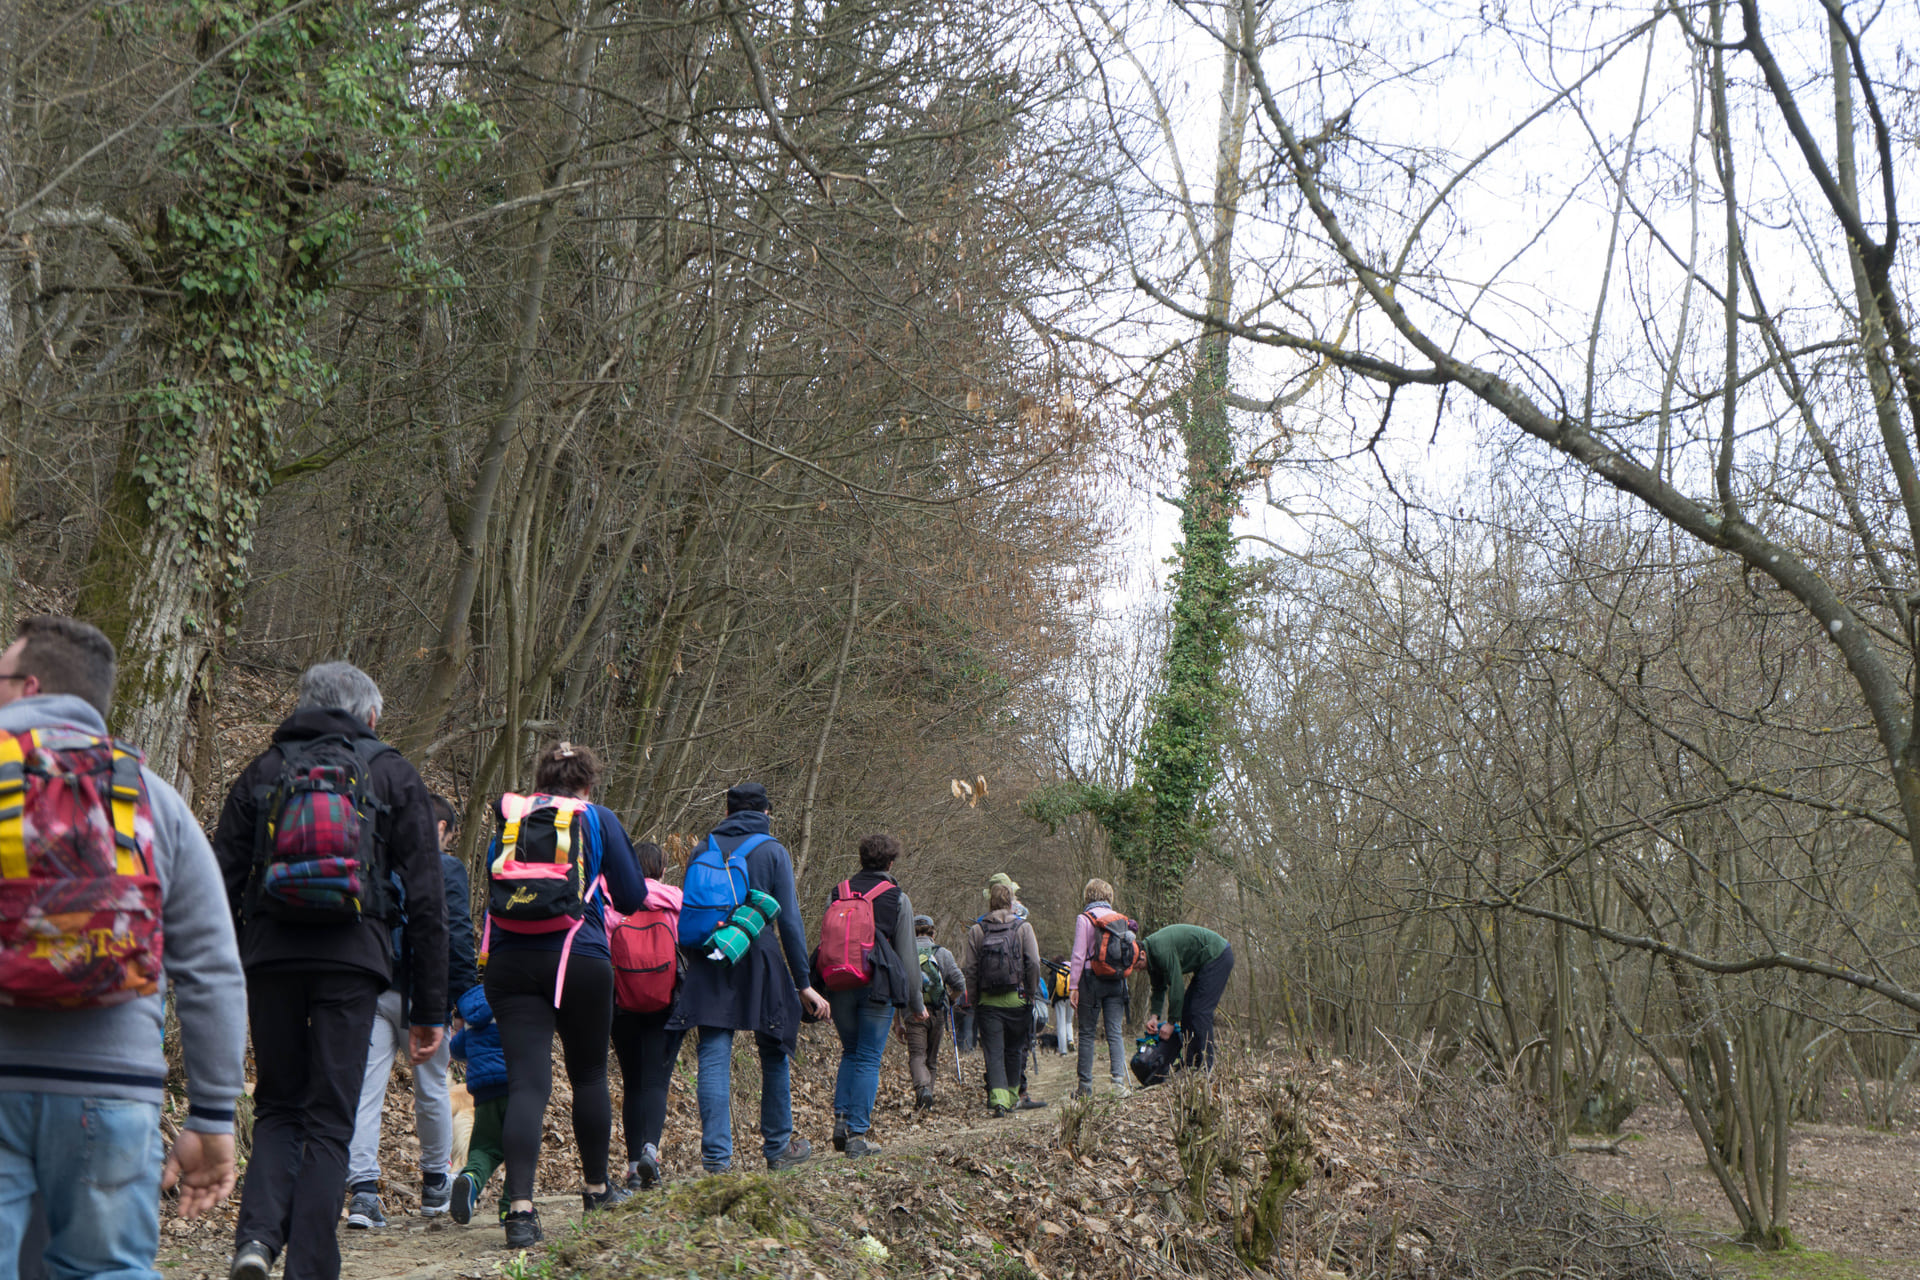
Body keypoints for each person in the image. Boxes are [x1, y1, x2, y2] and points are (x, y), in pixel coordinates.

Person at [0, 615, 247, 1278]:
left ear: (28, 685)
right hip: (114, 1089)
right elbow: (212, 966)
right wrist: (212, 1115)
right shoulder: (151, 798)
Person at [214, 661, 446, 1280]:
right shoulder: (391, 773)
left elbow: (220, 882)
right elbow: (429, 901)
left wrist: (230, 971)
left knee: (277, 1105)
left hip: (271, 958)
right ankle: (310, 1267)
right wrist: (428, 1008)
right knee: (330, 1119)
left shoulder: (262, 771)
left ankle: (256, 1239)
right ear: (368, 715)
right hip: (353, 961)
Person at [484, 741, 648, 1247]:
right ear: (588, 784)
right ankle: (596, 1189)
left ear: (540, 781)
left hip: (511, 962)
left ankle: (520, 1211)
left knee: (527, 1084)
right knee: (590, 1075)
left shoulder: (512, 820)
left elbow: (495, 883)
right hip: (579, 956)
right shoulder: (597, 819)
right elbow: (633, 896)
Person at [667, 782, 829, 1173]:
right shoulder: (772, 851)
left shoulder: (702, 849)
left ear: (727, 812)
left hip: (711, 954)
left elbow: (692, 912)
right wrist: (804, 982)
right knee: (773, 1049)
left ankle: (716, 1159)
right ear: (766, 813)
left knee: (713, 1052)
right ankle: (777, 1148)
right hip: (759, 956)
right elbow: (790, 921)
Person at [345, 794, 479, 1227]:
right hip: (425, 997)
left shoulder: (376, 862)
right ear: (441, 829)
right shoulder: (447, 869)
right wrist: (463, 999)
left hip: (374, 987)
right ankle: (435, 1184)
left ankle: (363, 1195)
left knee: (366, 1092)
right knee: (433, 1088)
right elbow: (457, 936)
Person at [816, 834, 925, 1157]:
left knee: (850, 1051)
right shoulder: (897, 898)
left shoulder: (837, 893)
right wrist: (915, 1004)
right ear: (890, 863)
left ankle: (841, 1120)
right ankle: (857, 1134)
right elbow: (907, 958)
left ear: (861, 860)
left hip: (838, 982)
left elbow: (826, 941)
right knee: (867, 1057)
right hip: (877, 987)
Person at [608, 840, 686, 1189]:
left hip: (622, 1002)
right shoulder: (676, 902)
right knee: (656, 1081)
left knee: (633, 1082)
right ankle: (650, 1152)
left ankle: (630, 1167)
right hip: (664, 1002)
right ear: (663, 870)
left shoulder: (613, 902)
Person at [960, 880, 1042, 1117]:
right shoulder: (1023, 928)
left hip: (988, 1003)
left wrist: (974, 999)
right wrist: (1030, 993)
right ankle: (1013, 1096)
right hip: (1018, 1000)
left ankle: (999, 1101)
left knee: (993, 1052)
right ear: (1011, 902)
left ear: (990, 902)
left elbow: (970, 969)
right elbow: (1033, 963)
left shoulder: (977, 930)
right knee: (1014, 1049)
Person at [448, 983, 507, 1225]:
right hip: (517, 1087)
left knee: (484, 1148)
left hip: (482, 1092)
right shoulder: (516, 998)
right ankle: (511, 1210)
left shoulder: (473, 1011)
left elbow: (456, 1049)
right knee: (519, 1148)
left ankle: (470, 1178)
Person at [1143, 923, 1235, 1070]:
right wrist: (1154, 1016)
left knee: (1199, 1011)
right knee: (1187, 1010)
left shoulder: (1160, 951)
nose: (1136, 970)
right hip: (1206, 962)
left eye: (1136, 966)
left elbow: (1177, 986)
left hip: (1218, 955)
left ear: (1142, 955)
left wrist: (1171, 1023)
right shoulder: (1151, 958)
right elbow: (1158, 987)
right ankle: (1190, 1063)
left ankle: (1205, 1066)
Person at [1069, 879, 1131, 1096]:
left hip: (1090, 980)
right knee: (1115, 1031)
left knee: (1087, 1033)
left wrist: (1073, 986)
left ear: (1087, 896)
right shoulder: (1119, 919)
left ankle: (1085, 1087)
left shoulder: (1084, 918)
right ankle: (1118, 1083)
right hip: (1116, 980)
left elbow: (1078, 955)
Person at [904, 914, 965, 1108]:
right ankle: (927, 1099)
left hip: (913, 1011)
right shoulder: (943, 953)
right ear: (933, 933)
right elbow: (960, 984)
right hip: (937, 1012)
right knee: (931, 1059)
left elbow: (897, 988)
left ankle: (923, 1090)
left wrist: (897, 1021)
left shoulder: (903, 953)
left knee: (917, 1055)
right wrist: (950, 999)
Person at [1048, 956, 1074, 1054]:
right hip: (1071, 998)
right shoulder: (1071, 969)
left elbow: (1051, 987)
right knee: (1069, 1021)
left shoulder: (1055, 971)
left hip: (1059, 1000)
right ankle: (1070, 1040)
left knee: (1061, 1024)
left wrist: (1048, 1000)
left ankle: (1063, 1050)